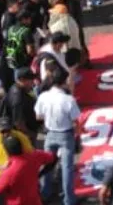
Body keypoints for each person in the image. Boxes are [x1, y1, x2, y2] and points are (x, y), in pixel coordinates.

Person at [35, 70, 81, 205]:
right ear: (63, 82)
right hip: (66, 135)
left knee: (48, 164)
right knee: (67, 168)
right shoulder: (68, 99)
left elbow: (38, 116)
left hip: (49, 133)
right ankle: (69, 199)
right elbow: (76, 121)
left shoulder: (43, 96)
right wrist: (77, 135)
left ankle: (46, 192)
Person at [0, 135, 57, 205]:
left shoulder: (9, 171)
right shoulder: (35, 155)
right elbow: (53, 158)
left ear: (7, 152)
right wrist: (41, 173)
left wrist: (3, 170)